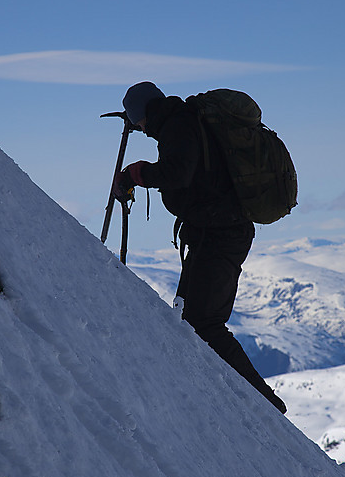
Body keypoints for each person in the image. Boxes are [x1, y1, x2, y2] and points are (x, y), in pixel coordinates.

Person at [113, 81, 287, 414]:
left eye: (137, 122)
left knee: (202, 322)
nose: (140, 129)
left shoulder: (179, 125)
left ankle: (266, 408)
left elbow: (178, 173)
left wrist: (136, 173)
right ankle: (224, 401)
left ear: (142, 114)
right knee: (186, 319)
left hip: (221, 235)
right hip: (213, 234)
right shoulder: (181, 121)